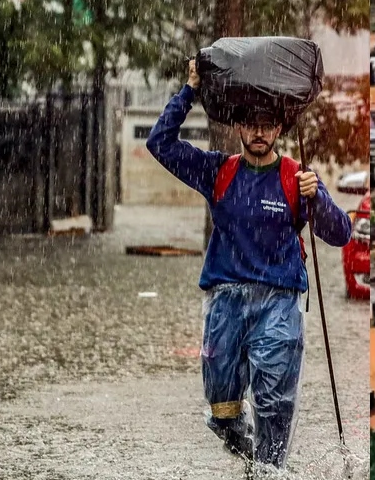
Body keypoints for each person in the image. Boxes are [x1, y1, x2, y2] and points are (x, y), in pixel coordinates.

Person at [145, 59, 352, 468]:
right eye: (252, 124)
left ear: (279, 129)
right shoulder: (217, 170)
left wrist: (319, 199)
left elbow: (341, 234)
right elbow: (160, 144)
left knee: (273, 401)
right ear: (239, 127)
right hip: (224, 303)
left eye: (268, 124)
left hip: (278, 302)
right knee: (222, 412)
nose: (260, 132)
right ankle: (250, 456)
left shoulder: (297, 177)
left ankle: (269, 471)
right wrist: (190, 91)